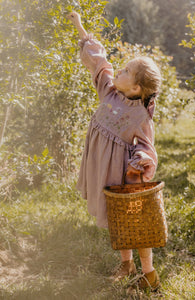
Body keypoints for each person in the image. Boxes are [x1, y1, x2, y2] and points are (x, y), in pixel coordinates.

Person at [67, 11, 162, 291]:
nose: (118, 70)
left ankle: (148, 273)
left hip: (122, 174)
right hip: (101, 168)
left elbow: (147, 147)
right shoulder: (109, 91)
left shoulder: (139, 116)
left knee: (135, 222)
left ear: (136, 87)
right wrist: (80, 27)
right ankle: (126, 263)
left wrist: (141, 160)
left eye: (126, 71)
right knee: (117, 221)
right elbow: (99, 62)